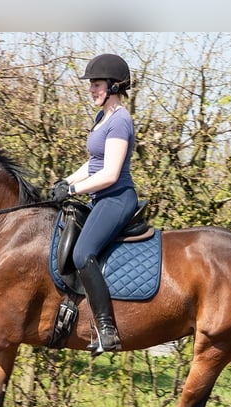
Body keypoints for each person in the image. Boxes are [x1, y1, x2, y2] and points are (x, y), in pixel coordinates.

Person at [50, 53, 138, 355]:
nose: (92, 90)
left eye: (97, 85)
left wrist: (73, 189)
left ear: (115, 86)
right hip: (100, 196)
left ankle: (107, 328)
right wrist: (64, 182)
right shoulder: (103, 118)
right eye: (91, 85)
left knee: (83, 251)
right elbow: (93, 163)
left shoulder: (121, 121)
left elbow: (110, 173)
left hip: (117, 198)